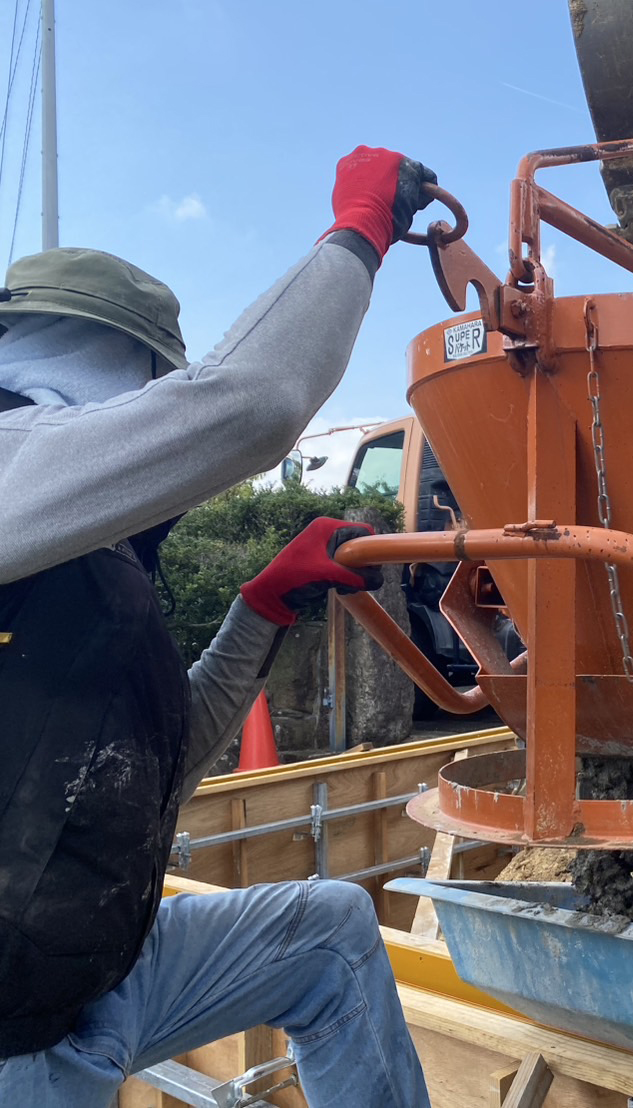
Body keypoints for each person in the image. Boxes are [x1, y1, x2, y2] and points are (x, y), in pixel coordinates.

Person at [0, 146, 438, 1106]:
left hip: (93, 978)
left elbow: (151, 768)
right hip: (14, 1048)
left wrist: (262, 607)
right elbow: (256, 402)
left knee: (331, 933)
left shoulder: (84, 561)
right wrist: (356, 237)